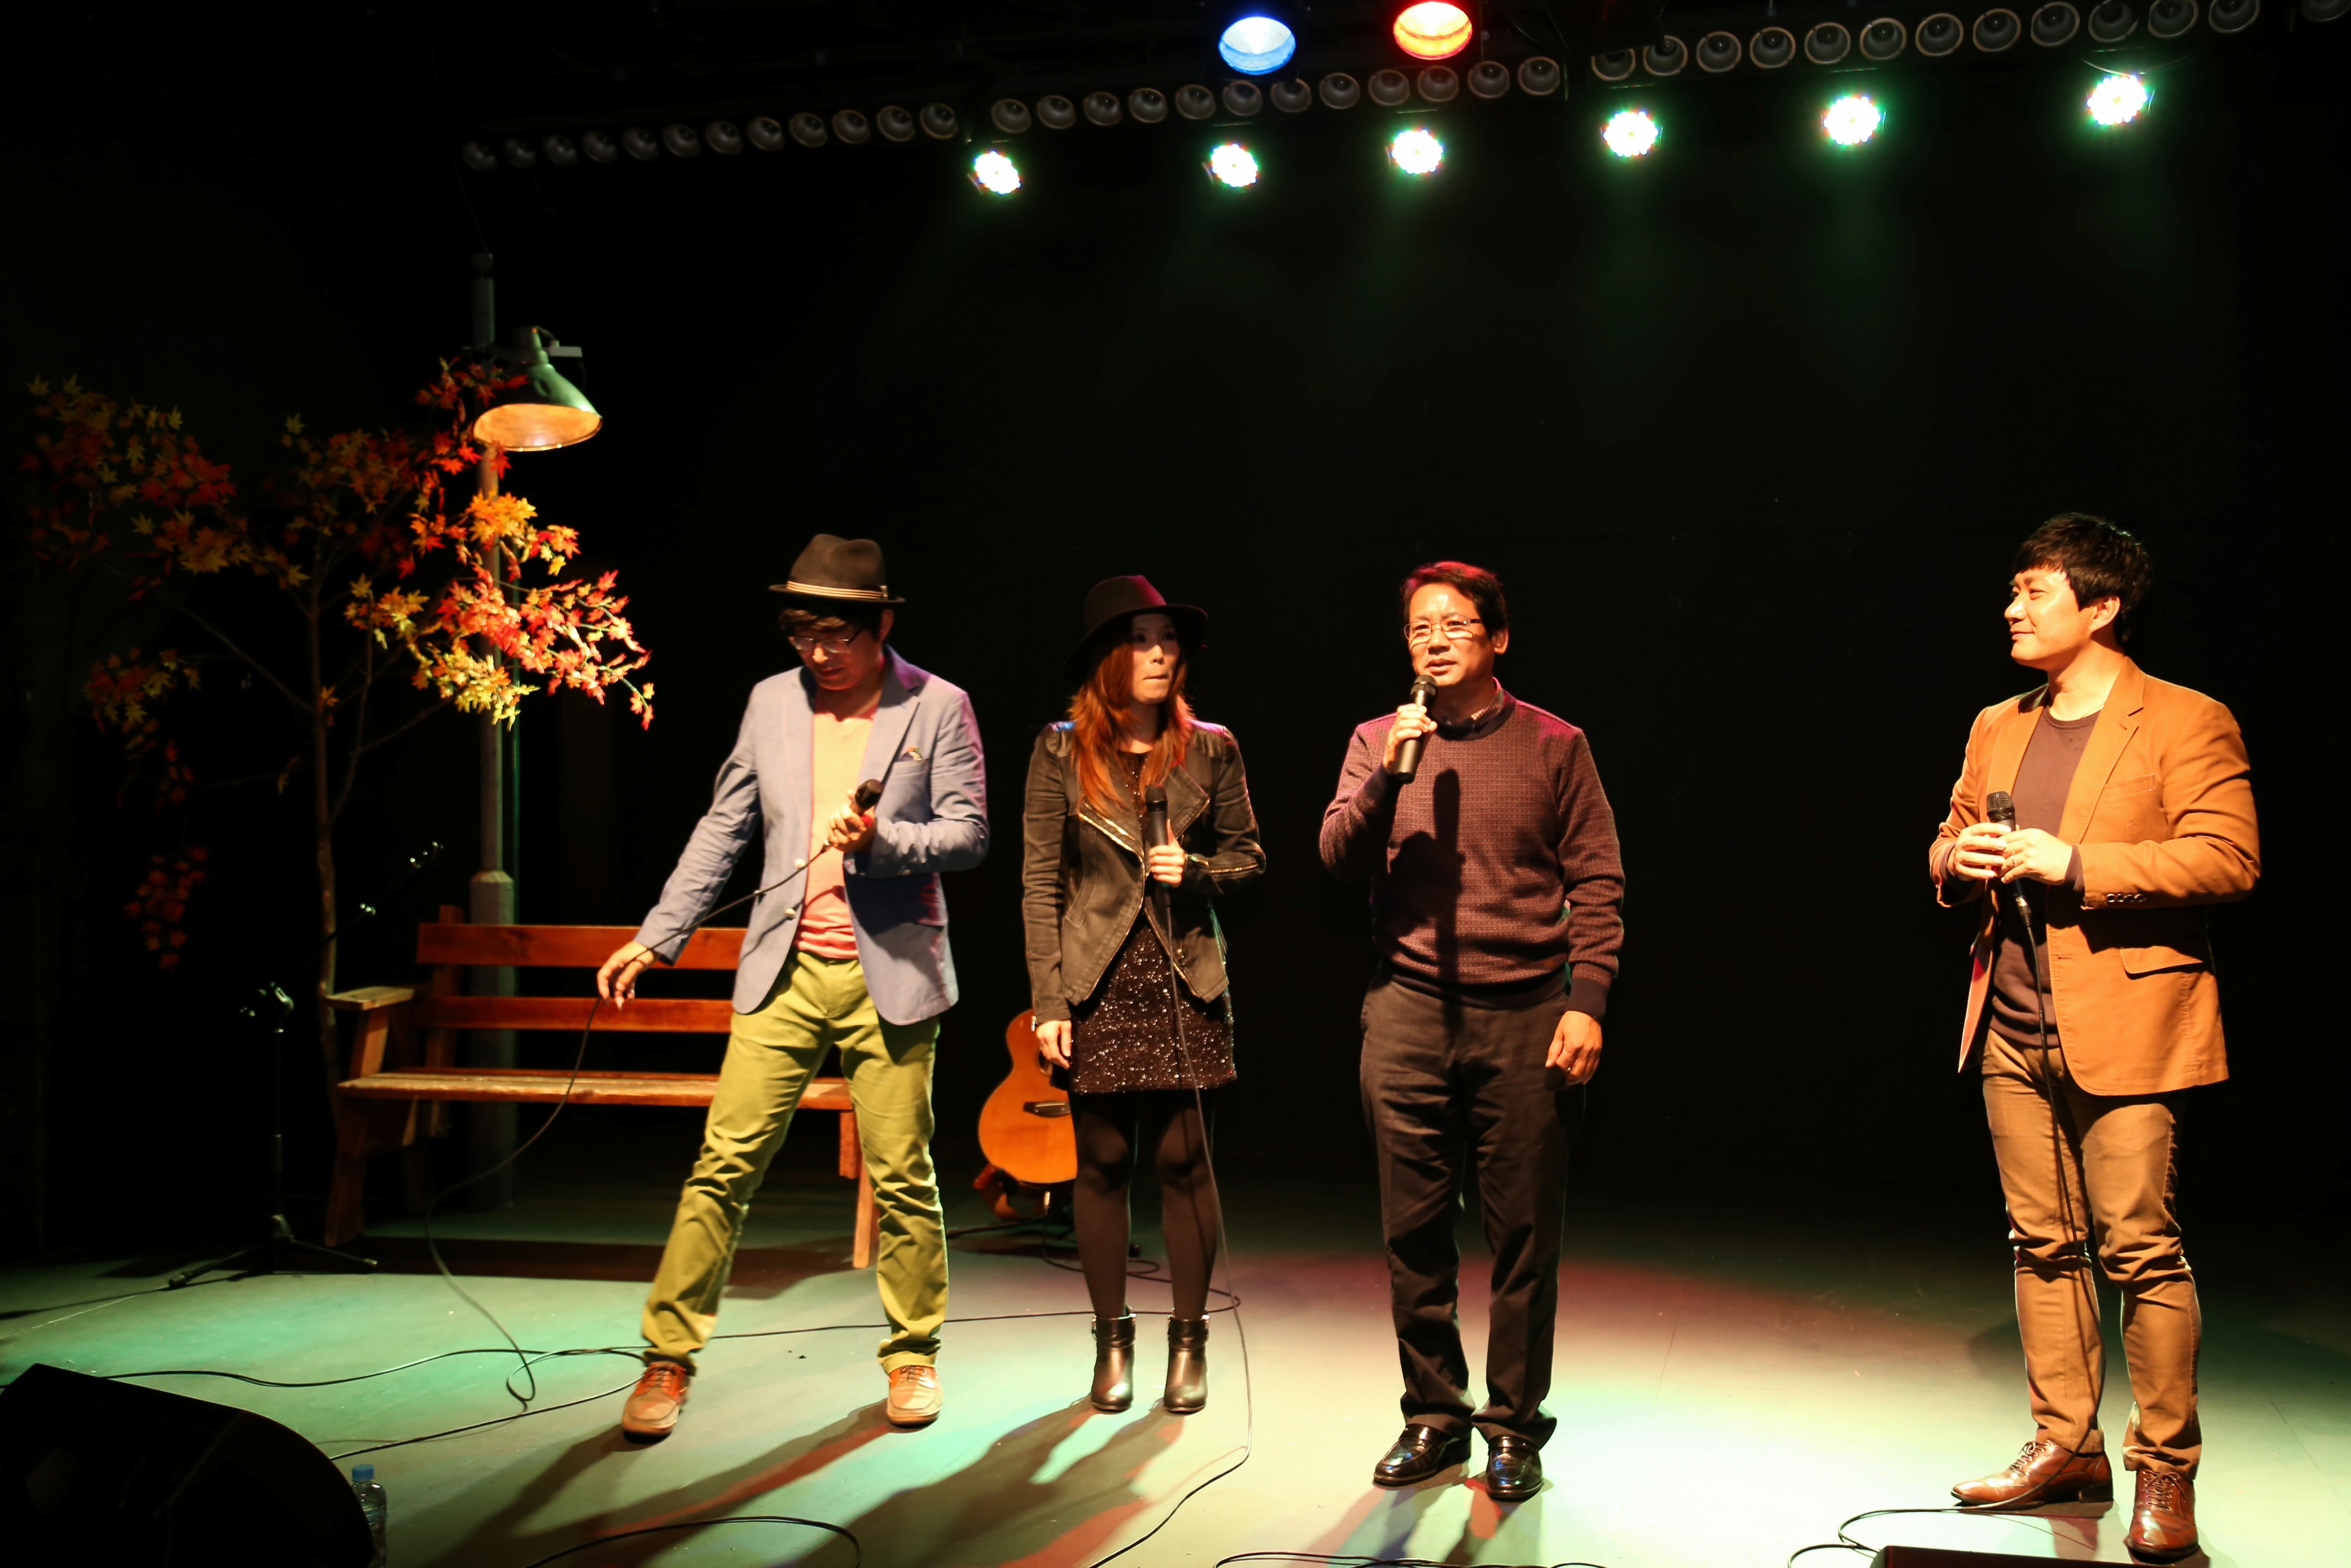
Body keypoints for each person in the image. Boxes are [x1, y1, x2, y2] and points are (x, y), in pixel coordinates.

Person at [594, 534, 988, 1441]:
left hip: (891, 971)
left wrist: (884, 842)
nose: (819, 652)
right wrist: (659, 935)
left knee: (902, 1175)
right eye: (802, 633)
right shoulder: (771, 702)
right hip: (783, 971)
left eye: (837, 634)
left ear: (880, 626)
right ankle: (667, 1356)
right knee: (722, 1165)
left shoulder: (937, 705)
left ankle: (913, 1353)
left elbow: (969, 834)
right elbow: (723, 827)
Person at [1930, 514, 2256, 1562]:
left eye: (2034, 592)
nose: (2011, 610)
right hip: (2009, 1018)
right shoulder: (1997, 722)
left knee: (2139, 1250)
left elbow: (2227, 858)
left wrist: (2075, 863)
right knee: (2041, 1244)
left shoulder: (2186, 718)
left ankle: (2165, 1468)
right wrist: (1957, 861)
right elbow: (1946, 836)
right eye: (2013, 591)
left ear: (2102, 605)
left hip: (2127, 1019)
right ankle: (2066, 1446)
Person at [1319, 561, 1624, 1503]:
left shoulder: (1555, 744)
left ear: (1497, 639)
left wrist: (1587, 1000)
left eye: (1455, 624)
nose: (1435, 640)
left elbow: (1598, 881)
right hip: (1407, 1009)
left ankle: (1512, 1427)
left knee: (1524, 1235)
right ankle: (1433, 1415)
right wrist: (1388, 777)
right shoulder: (1377, 740)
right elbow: (1336, 856)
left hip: (1526, 1014)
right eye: (1420, 628)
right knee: (1411, 1231)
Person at [1021, 575, 1264, 1415]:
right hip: (1095, 980)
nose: (1160, 654)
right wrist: (1048, 1003)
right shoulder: (1060, 750)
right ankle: (1111, 1340)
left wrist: (1193, 871)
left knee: (1183, 1164)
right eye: (1140, 640)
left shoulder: (1211, 749)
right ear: (1105, 657)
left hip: (1185, 977)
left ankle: (1189, 1341)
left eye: (1168, 640)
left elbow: (1248, 859)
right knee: (1101, 1164)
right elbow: (1039, 884)